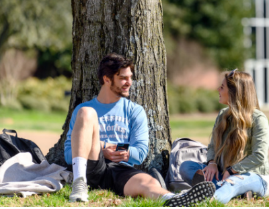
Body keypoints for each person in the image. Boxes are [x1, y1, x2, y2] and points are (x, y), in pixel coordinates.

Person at [64, 53, 216, 206]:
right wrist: (102, 148)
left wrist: (114, 147)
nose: (129, 82)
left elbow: (140, 152)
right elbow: (69, 155)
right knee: (87, 112)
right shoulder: (83, 110)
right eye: (123, 78)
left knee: (148, 182)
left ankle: (175, 200)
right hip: (92, 166)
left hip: (121, 170)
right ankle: (79, 185)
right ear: (107, 79)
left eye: (130, 77)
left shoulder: (134, 111)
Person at [179, 69, 269, 204]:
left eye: (222, 87)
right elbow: (212, 146)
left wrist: (233, 170)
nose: (218, 89)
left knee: (232, 183)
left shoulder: (258, 119)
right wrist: (212, 163)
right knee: (186, 167)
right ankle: (234, 191)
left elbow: (259, 156)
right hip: (223, 173)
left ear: (235, 93)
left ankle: (208, 201)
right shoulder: (223, 114)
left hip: (253, 176)